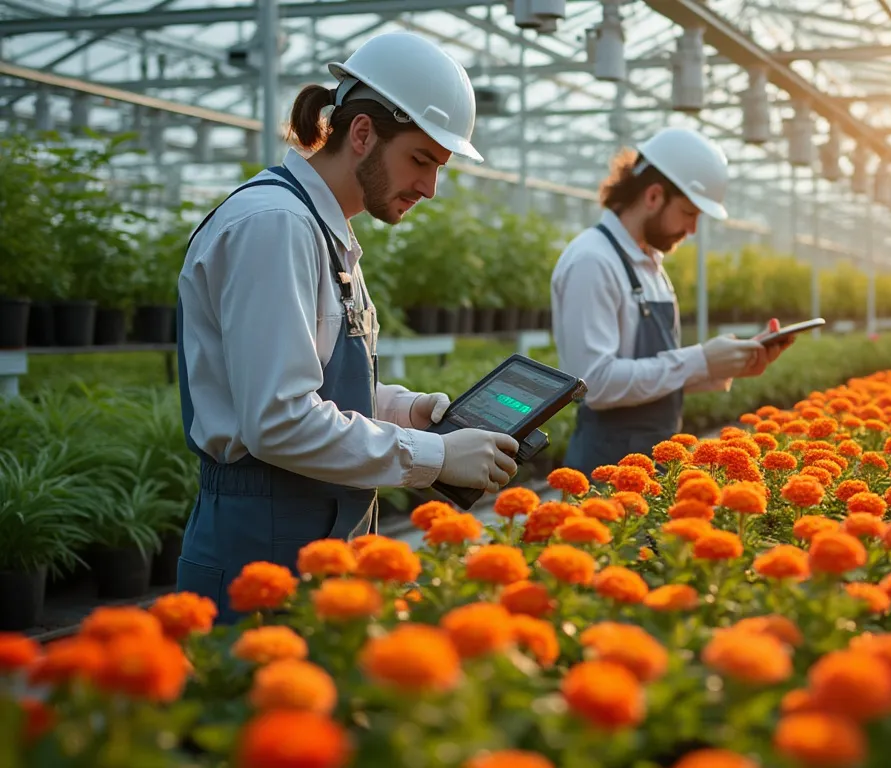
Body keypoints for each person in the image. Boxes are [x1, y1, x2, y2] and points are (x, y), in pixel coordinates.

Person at [174, 31, 518, 622]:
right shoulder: (274, 226)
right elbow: (277, 421)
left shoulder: (320, 231)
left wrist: (402, 410)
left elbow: (307, 386)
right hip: (265, 544)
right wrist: (432, 456)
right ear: (362, 134)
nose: (431, 188)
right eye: (421, 160)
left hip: (319, 531)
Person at [551, 127, 795, 475]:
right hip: (606, 472)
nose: (692, 229)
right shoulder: (593, 260)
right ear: (653, 196)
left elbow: (656, 373)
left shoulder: (651, 267)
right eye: (689, 213)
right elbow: (596, 384)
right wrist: (699, 359)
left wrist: (729, 362)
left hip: (656, 464)